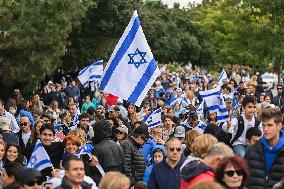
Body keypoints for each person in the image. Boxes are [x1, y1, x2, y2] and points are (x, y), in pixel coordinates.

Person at [245, 108, 284, 189]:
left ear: (279, 126)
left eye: (269, 125)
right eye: (263, 125)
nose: (265, 129)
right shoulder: (252, 151)